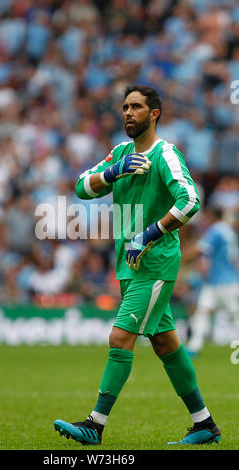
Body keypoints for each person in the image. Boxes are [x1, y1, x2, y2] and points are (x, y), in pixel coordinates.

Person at [53, 85, 221, 446]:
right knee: (165, 344)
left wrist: (151, 233)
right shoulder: (121, 153)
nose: (128, 113)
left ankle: (94, 425)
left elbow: (191, 200)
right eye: (125, 107)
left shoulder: (166, 153)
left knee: (120, 337)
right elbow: (82, 186)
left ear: (154, 113)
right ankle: (204, 423)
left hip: (154, 262)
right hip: (129, 263)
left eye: (136, 107)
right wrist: (114, 171)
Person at [184, 206, 239, 358]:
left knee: (234, 315)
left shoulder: (216, 230)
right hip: (220, 281)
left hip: (223, 282)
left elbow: (200, 248)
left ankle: (194, 346)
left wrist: (179, 258)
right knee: (202, 312)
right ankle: (194, 347)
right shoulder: (229, 231)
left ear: (212, 215)